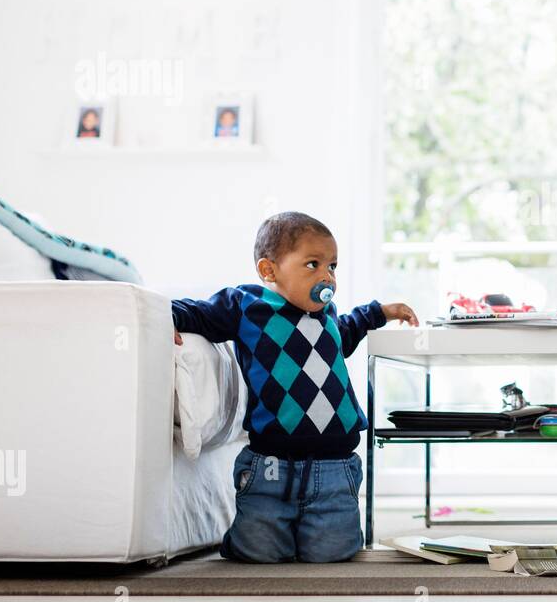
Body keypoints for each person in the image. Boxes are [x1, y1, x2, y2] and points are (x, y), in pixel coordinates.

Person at [172, 211, 418, 562]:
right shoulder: (247, 305)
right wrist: (162, 317)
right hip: (272, 464)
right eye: (312, 265)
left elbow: (348, 331)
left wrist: (380, 311)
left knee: (333, 552)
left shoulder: (327, 315)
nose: (327, 277)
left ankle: (310, 532)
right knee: (260, 551)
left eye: (332, 266)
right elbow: (195, 312)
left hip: (334, 464)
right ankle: (255, 535)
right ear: (269, 270)